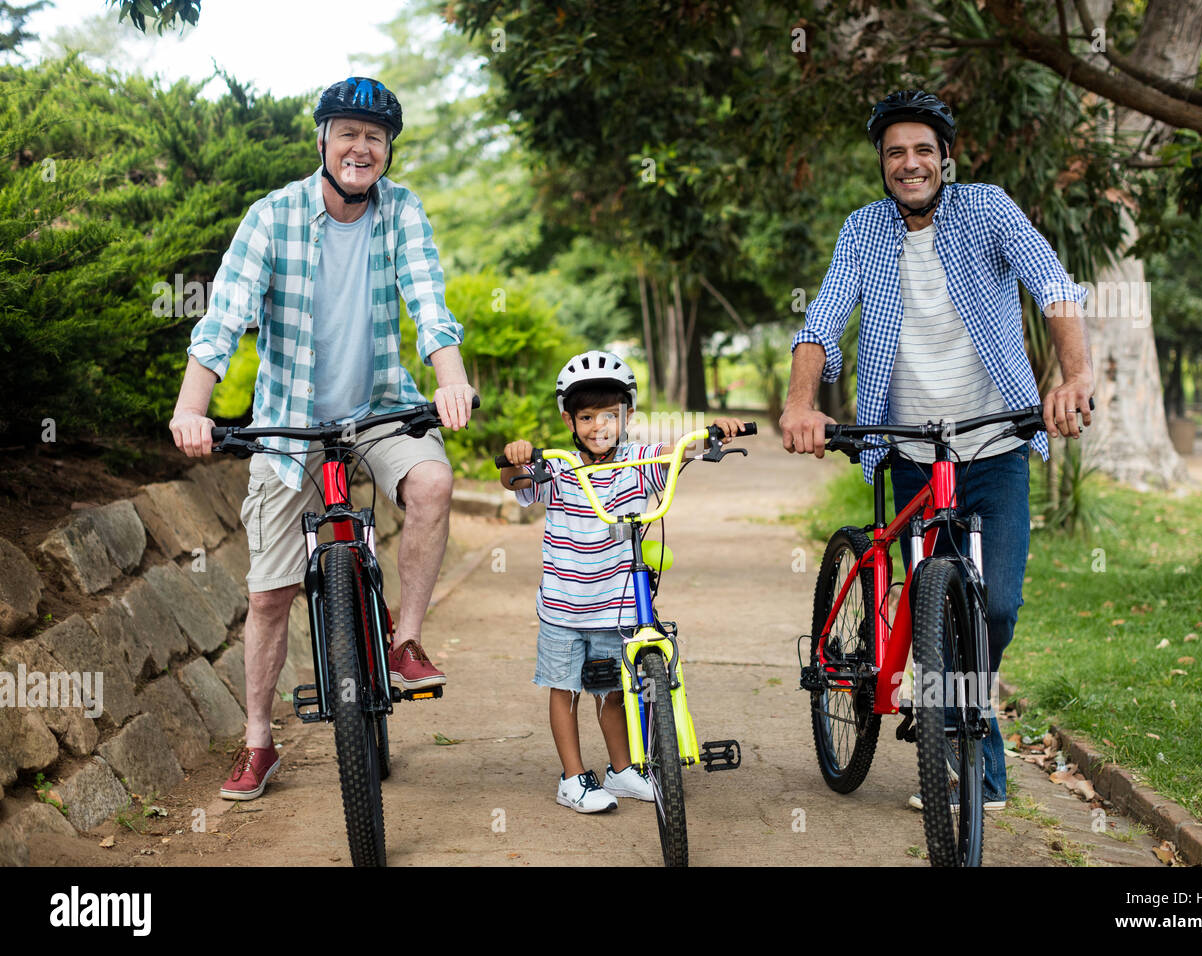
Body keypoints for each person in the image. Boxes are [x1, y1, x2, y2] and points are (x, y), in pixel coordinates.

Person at [780, 89, 1093, 811]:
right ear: (883, 165)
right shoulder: (863, 231)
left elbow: (1052, 283)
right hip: (912, 453)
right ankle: (969, 766)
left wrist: (1073, 378)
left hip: (995, 445)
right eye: (895, 152)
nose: (910, 163)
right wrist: (801, 403)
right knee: (932, 606)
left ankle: (955, 713)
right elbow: (823, 318)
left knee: (999, 607)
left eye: (923, 149)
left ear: (945, 158)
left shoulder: (986, 209)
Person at [169, 76, 476, 801]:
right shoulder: (272, 218)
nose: (360, 147)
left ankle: (404, 642)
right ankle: (258, 744)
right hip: (293, 420)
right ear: (322, 141)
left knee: (432, 482)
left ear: (388, 150)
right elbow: (223, 323)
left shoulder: (402, 212)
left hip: (380, 408)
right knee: (270, 595)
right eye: (347, 133)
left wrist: (451, 378)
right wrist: (191, 408)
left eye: (375, 137)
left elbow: (430, 304)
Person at [500, 350, 744, 812]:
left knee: (613, 692)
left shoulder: (636, 461)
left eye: (609, 415)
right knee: (566, 690)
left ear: (627, 415)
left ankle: (622, 769)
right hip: (565, 607)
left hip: (617, 606)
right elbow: (515, 482)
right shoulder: (556, 466)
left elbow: (674, 453)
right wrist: (515, 460)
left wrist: (710, 434)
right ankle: (572, 778)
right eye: (586, 416)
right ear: (570, 422)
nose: (598, 426)